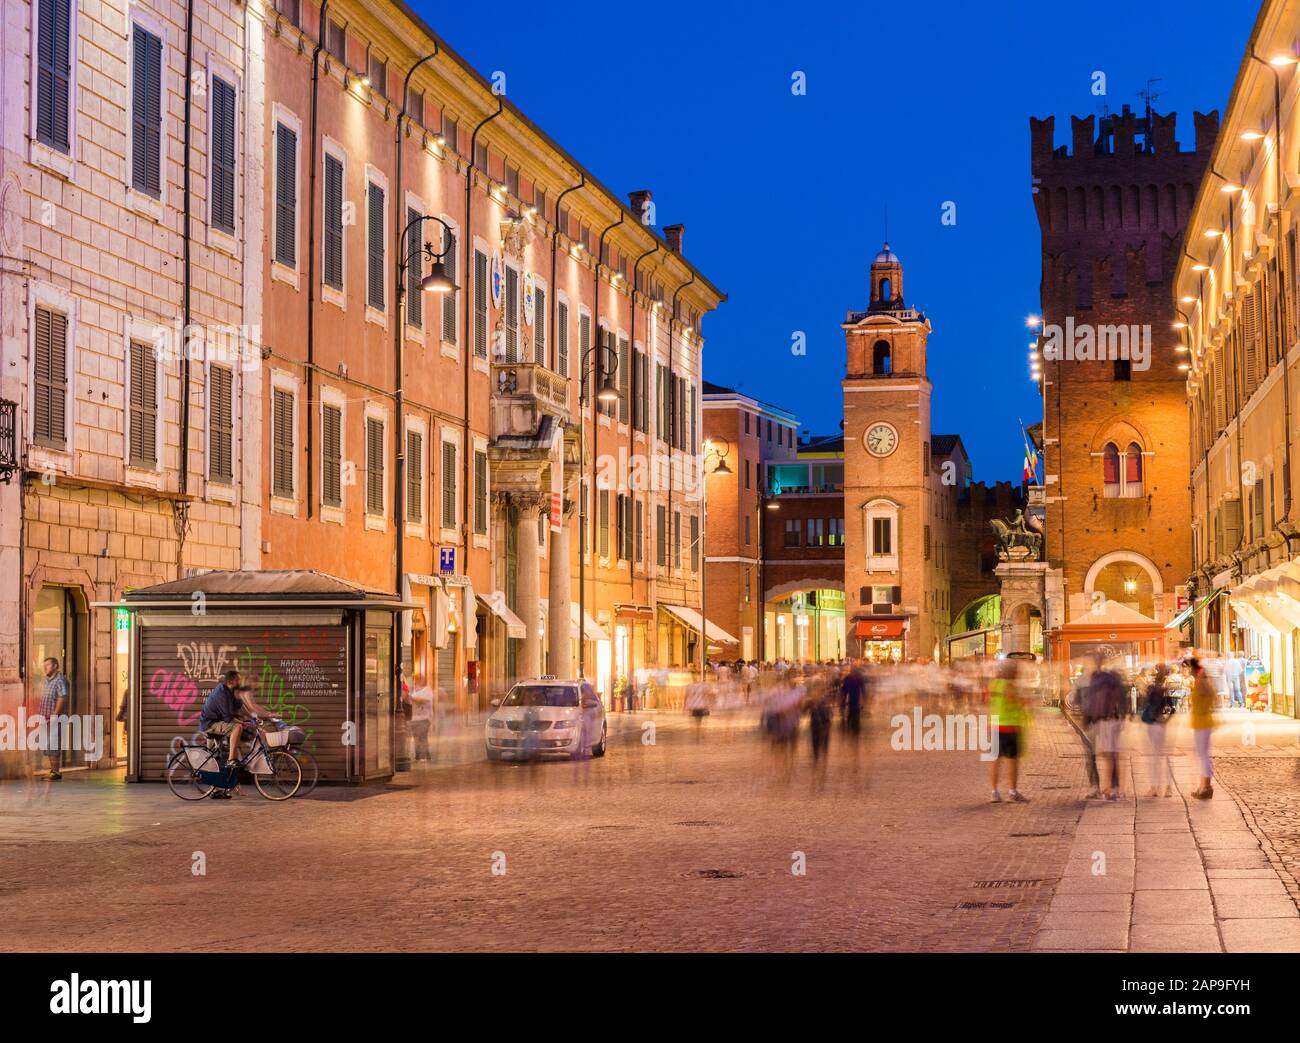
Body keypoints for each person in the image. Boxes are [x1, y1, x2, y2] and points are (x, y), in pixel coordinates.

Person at [198, 670, 245, 796]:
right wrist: (243, 723)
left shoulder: (230, 692)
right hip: (210, 725)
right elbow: (228, 718)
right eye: (237, 680)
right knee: (237, 728)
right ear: (230, 682)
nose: (240, 682)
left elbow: (239, 706)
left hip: (215, 723)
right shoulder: (222, 693)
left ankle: (217, 790)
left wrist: (253, 718)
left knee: (215, 758)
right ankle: (231, 760)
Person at [988, 659, 1029, 802]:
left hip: (995, 725)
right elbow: (1012, 702)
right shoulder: (1010, 686)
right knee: (1012, 761)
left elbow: (990, 702)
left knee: (995, 761)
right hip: (1010, 727)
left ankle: (994, 791)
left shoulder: (994, 684)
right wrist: (1023, 702)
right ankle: (1012, 792)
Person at [1140, 664, 1176, 797]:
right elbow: (1173, 709)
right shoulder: (1165, 691)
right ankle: (1168, 788)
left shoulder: (1151, 688)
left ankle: (1155, 787)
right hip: (1162, 724)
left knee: (1155, 757)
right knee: (1166, 756)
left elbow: (1145, 704)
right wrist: (1166, 720)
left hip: (1153, 724)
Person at [1188, 657, 1217, 799]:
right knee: (1202, 755)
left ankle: (1206, 787)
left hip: (1202, 723)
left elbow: (1210, 698)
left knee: (1203, 755)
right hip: (1201, 722)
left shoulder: (1201, 682)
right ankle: (1203, 786)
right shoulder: (1202, 681)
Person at [36, 657, 69, 780]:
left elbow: (62, 697)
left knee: (53, 743)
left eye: (48, 665)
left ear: (55, 666)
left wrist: (55, 714)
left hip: (54, 718)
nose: (45, 667)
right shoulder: (46, 680)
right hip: (45, 718)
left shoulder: (60, 680)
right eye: (44, 665)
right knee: (48, 744)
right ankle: (53, 770)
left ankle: (56, 772)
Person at [409, 673, 434, 762]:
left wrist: (411, 697)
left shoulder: (428, 690)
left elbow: (422, 700)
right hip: (415, 718)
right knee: (417, 737)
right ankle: (421, 756)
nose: (414, 681)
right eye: (414, 679)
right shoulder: (414, 690)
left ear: (422, 680)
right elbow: (410, 700)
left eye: (416, 679)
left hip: (425, 718)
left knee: (422, 737)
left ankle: (423, 757)